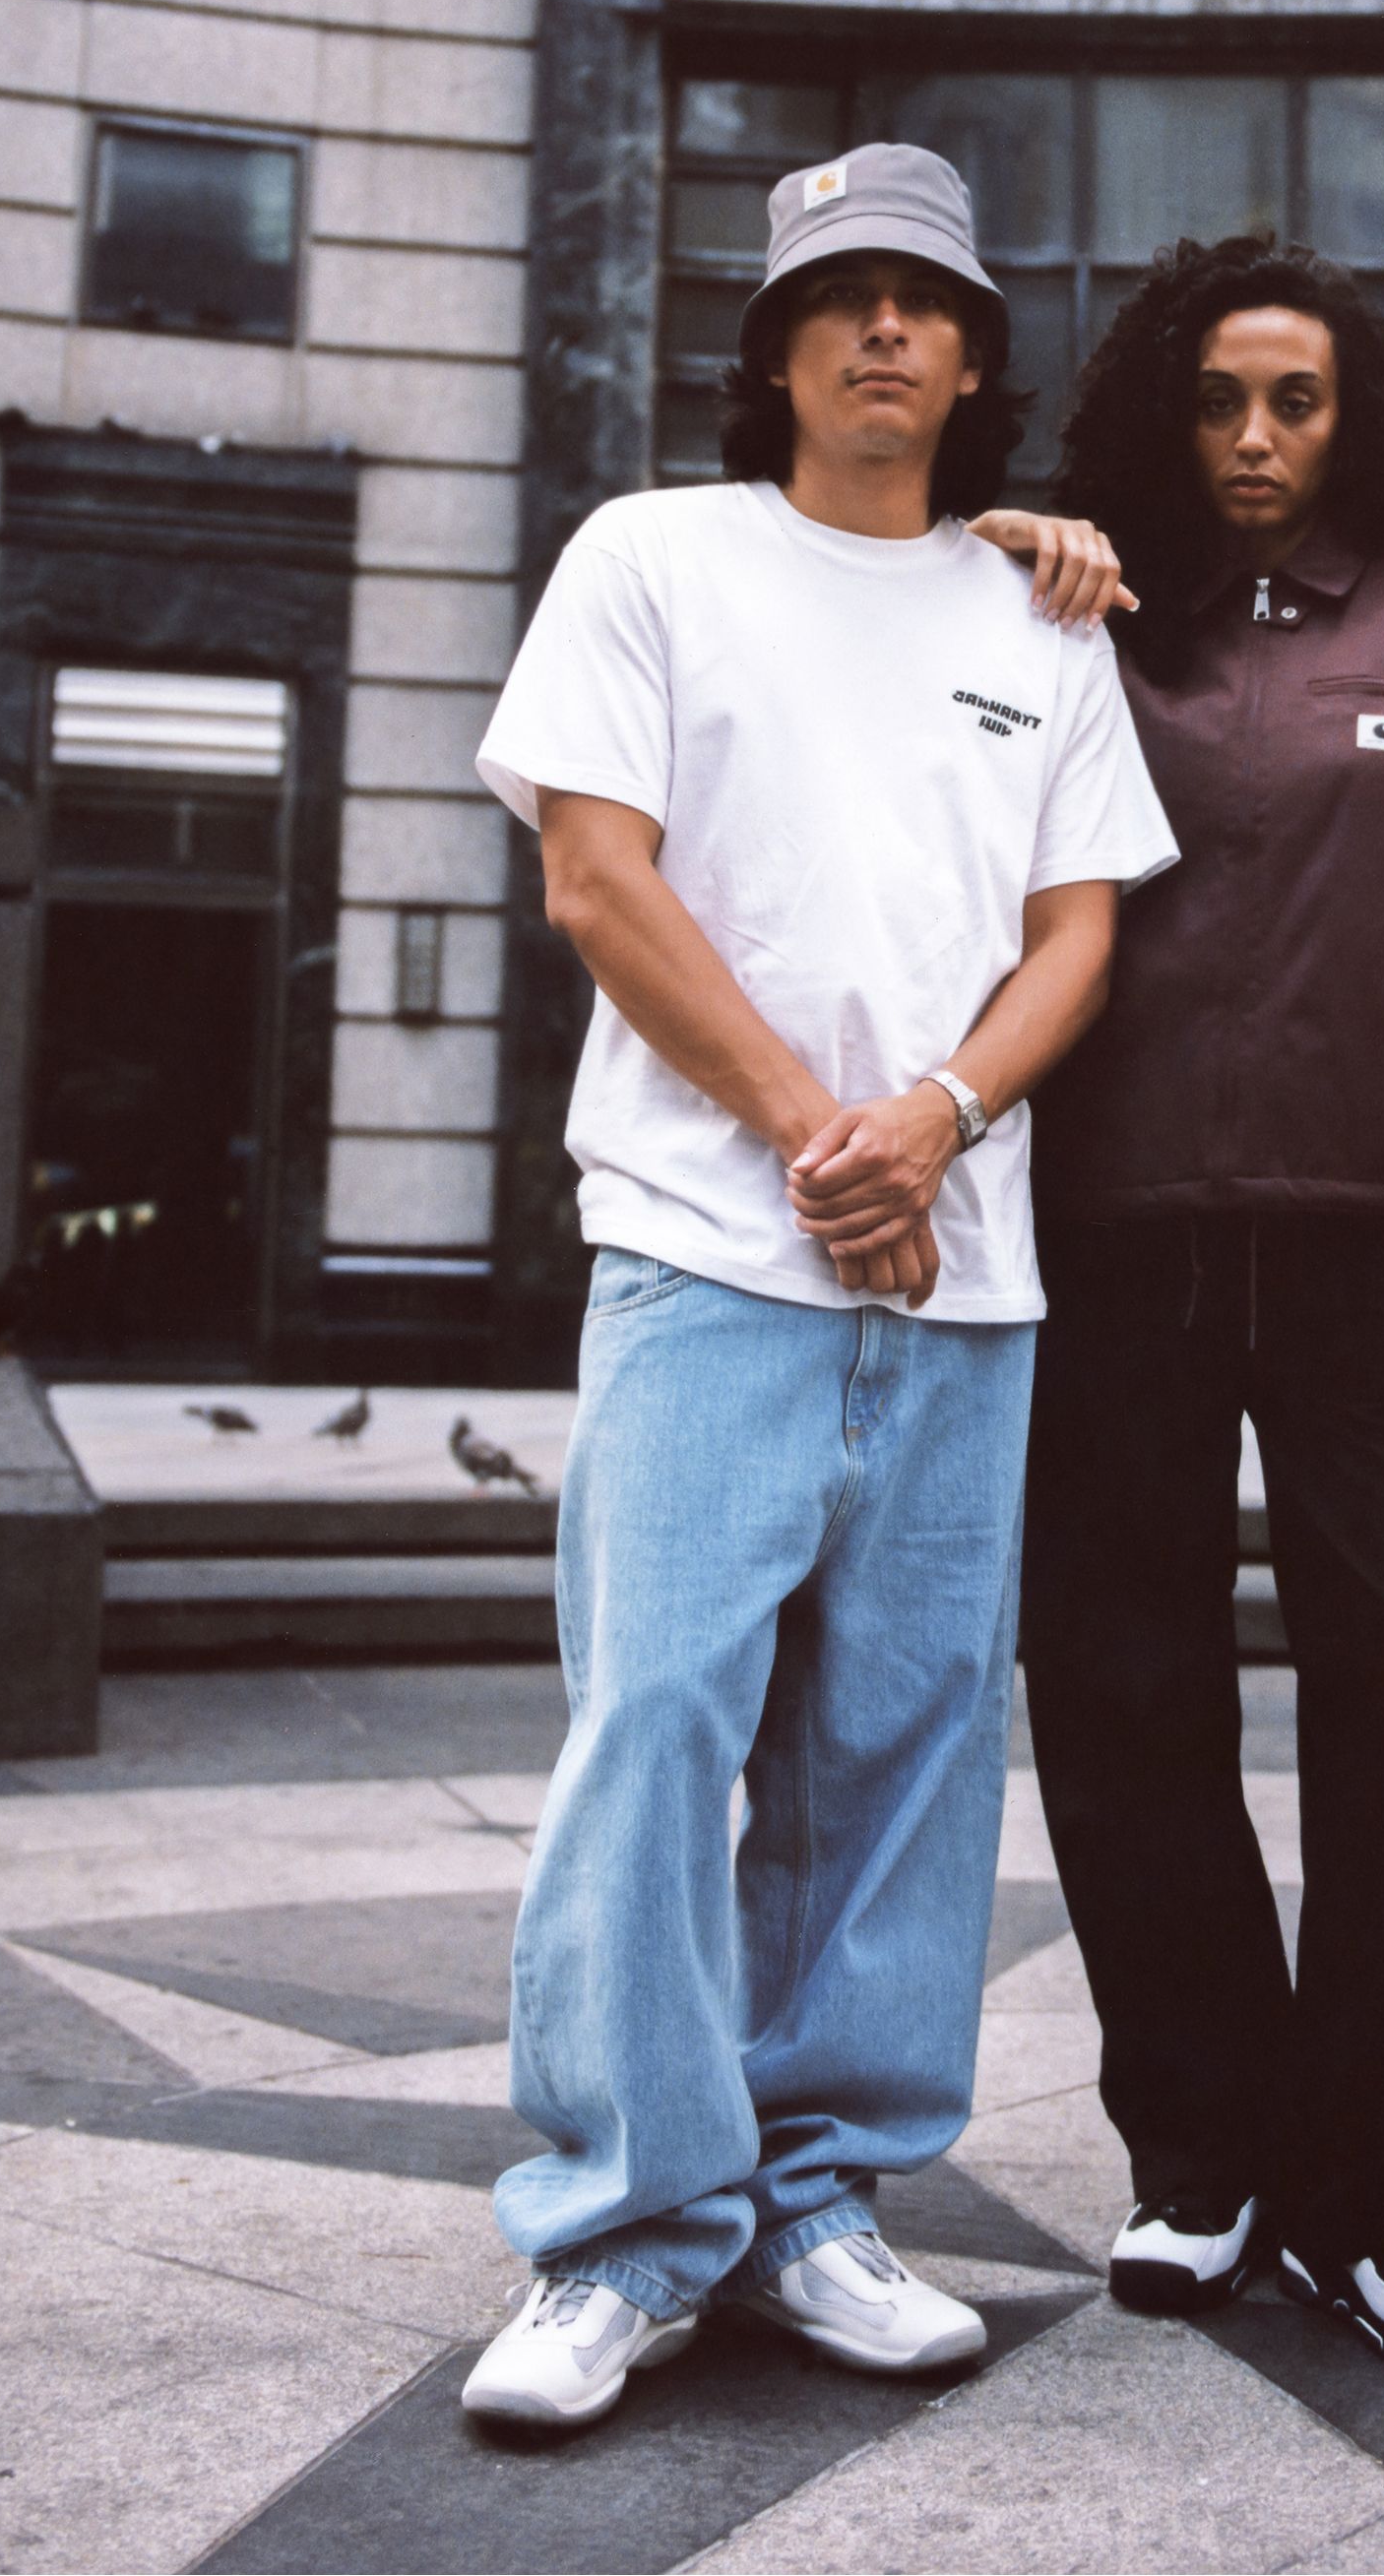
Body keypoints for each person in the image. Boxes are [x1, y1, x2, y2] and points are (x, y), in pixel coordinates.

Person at [460, 143, 1176, 2427]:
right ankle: (617, 2226)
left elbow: (1084, 929)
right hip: (706, 1253)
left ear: (975, 358)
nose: (883, 329)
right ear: (771, 343)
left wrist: (938, 1123)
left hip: (964, 1286)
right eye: (837, 295)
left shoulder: (1037, 619)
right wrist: (811, 1131)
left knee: (902, 1752)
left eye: (925, 300)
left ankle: (818, 2198)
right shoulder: (652, 554)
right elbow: (596, 875)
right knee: (657, 1721)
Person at [1002, 233, 1384, 2377]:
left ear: (1361, 417)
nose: (1256, 440)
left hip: (1372, 1242)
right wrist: (1011, 527)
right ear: (1166, 409)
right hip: (1115, 1234)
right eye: (1222, 400)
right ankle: (1202, 2146)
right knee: (1127, 1685)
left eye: (1300, 401)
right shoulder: (1070, 608)